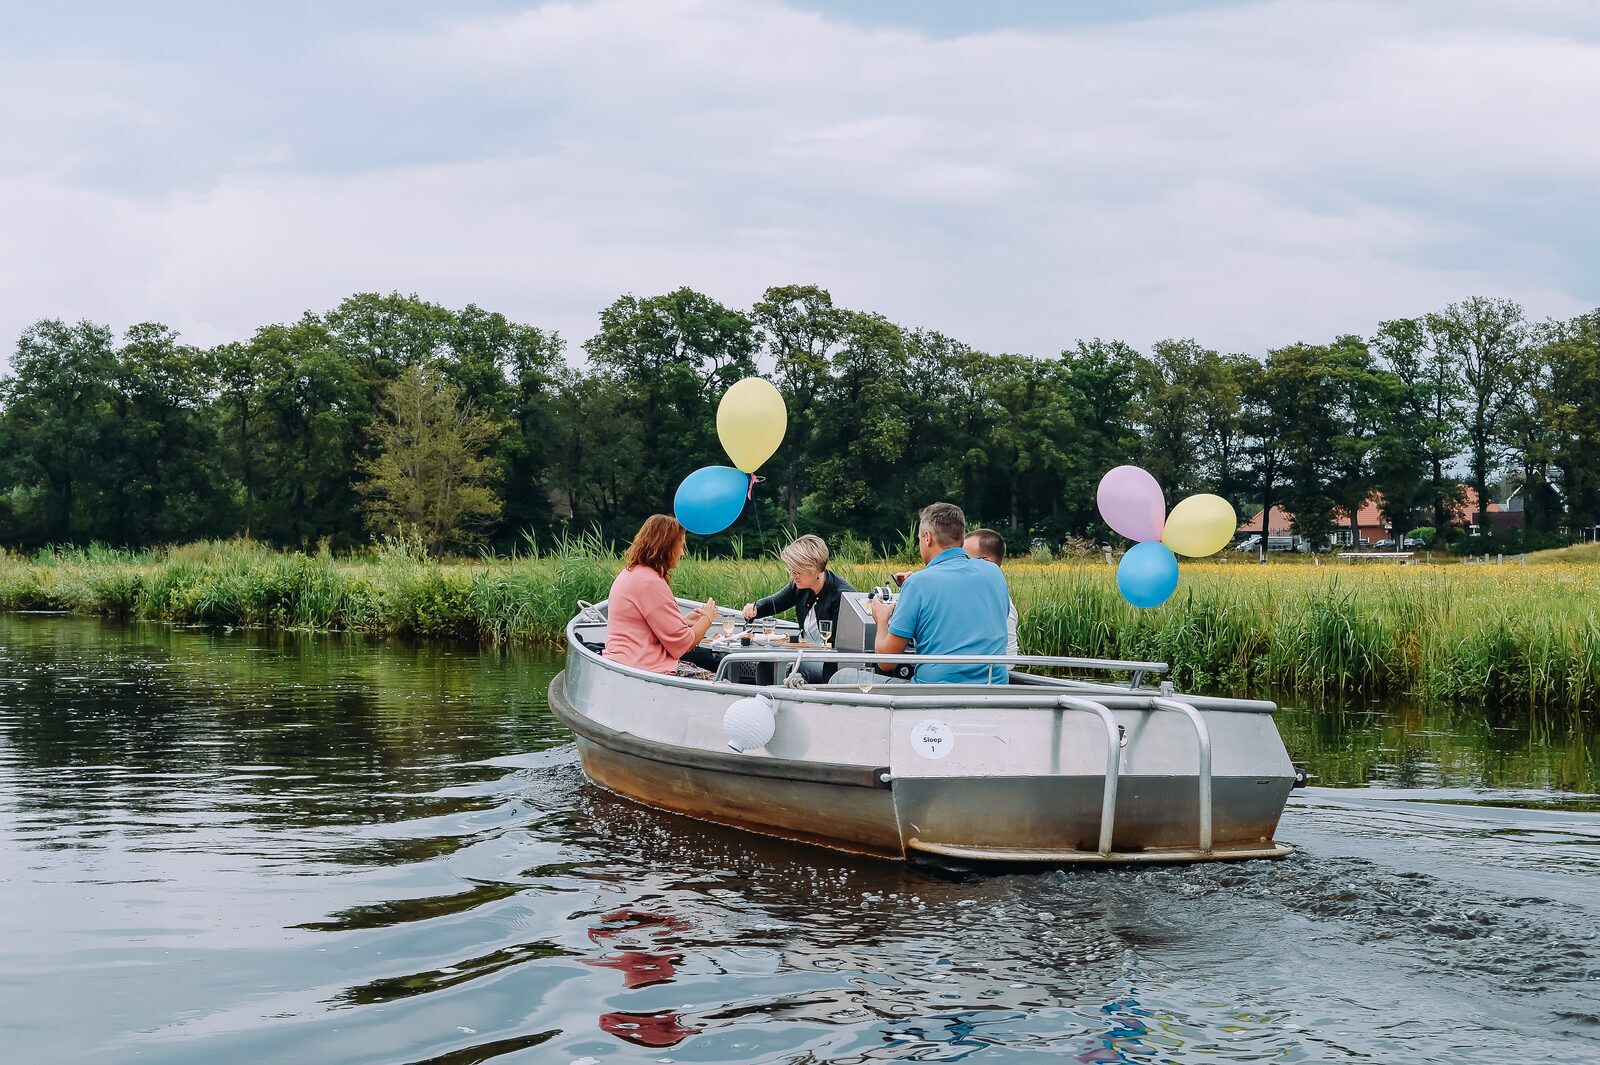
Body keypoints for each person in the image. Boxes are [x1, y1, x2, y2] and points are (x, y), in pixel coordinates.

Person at [868, 502, 1010, 684]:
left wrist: (881, 619)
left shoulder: (917, 584)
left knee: (841, 676)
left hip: (934, 694)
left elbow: (887, 662)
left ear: (927, 538)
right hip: (992, 691)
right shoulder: (994, 573)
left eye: (919, 538)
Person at [603, 514, 718, 676]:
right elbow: (684, 644)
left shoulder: (631, 573)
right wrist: (708, 617)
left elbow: (645, 628)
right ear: (667, 547)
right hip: (642, 670)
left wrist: (684, 622)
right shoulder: (651, 583)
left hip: (623, 664)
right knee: (722, 681)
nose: (682, 553)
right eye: (681, 546)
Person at [742, 534, 856, 646]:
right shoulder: (800, 586)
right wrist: (755, 608)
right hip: (805, 657)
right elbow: (774, 603)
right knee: (765, 663)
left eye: (797, 572)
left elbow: (842, 647)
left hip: (828, 661)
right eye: (790, 570)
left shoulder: (843, 596)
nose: (793, 576)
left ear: (817, 569)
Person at [963, 527, 1020, 656]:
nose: (959, 564)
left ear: (987, 563)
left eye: (965, 559)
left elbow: (1009, 657)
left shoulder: (1002, 604)